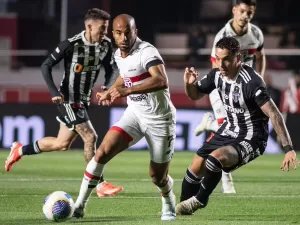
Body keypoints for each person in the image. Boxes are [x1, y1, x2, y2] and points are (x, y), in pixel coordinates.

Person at [4, 8, 123, 198]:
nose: (105, 33)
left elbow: (111, 69)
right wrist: (54, 92)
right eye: (102, 28)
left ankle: (20, 149)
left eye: (106, 28)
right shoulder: (71, 44)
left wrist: (107, 88)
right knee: (90, 137)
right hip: (68, 99)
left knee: (61, 144)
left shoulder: (106, 45)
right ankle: (99, 185)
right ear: (89, 26)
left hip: (83, 101)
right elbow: (46, 66)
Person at [176, 36, 298, 215]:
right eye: (218, 59)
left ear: (238, 59)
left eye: (226, 59)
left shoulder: (252, 82)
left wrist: (288, 148)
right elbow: (194, 95)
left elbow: (274, 113)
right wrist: (188, 84)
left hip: (252, 137)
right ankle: (181, 211)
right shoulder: (216, 75)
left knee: (216, 158)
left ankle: (200, 200)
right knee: (195, 165)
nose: (221, 64)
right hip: (229, 129)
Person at [72, 14, 177, 221]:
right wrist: (111, 90)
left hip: (160, 120)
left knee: (157, 176)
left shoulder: (146, 51)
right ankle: (79, 206)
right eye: (119, 33)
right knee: (101, 153)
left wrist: (126, 91)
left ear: (135, 31)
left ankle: (168, 199)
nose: (124, 37)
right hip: (135, 115)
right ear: (114, 34)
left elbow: (161, 80)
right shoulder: (119, 54)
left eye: (128, 32)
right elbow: (125, 75)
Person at [194, 0, 266, 194]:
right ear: (234, 10)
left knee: (236, 127)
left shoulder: (256, 34)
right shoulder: (223, 36)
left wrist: (260, 80)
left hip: (246, 91)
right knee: (229, 130)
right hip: (223, 89)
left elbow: (260, 56)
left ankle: (209, 125)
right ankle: (227, 182)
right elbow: (215, 67)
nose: (245, 16)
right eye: (242, 11)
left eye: (249, 13)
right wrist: (221, 90)